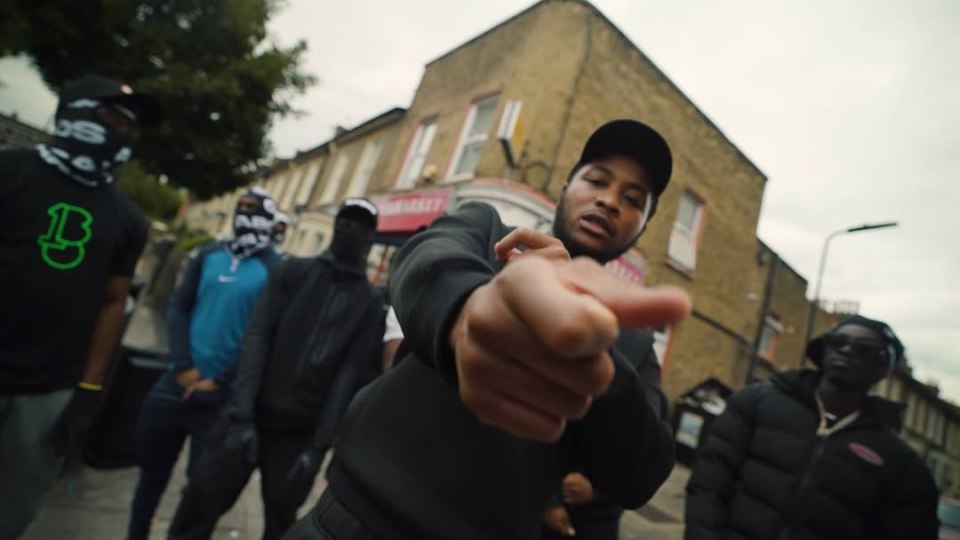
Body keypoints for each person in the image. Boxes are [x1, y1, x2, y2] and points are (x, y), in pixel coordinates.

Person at [286, 119, 692, 539]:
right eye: (597, 180)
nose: (609, 201)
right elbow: (424, 258)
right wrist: (465, 313)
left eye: (632, 199)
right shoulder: (485, 233)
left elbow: (643, 472)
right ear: (567, 186)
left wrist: (592, 343)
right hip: (347, 521)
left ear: (641, 226)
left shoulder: (633, 344)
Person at [0, 75, 162, 540]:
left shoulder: (128, 220)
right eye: (113, 119)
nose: (124, 134)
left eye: (134, 130)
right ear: (75, 112)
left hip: (48, 390)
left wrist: (89, 388)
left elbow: (113, 301)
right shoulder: (10, 173)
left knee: (13, 508)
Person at [167, 198, 386, 540]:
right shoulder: (294, 271)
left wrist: (318, 447)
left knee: (282, 525)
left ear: (371, 236)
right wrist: (241, 413)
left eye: (360, 228)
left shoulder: (370, 302)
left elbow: (349, 375)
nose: (350, 233)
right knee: (198, 505)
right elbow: (258, 337)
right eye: (345, 223)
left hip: (297, 435)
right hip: (248, 415)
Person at [685, 314, 940, 539]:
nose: (847, 350)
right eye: (838, 342)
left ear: (883, 367)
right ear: (825, 350)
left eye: (864, 349)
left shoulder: (902, 464)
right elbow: (710, 481)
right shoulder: (755, 402)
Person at [126, 189, 281, 539]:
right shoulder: (209, 254)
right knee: (151, 475)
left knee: (202, 490)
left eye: (254, 209)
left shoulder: (274, 269)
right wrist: (182, 365)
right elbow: (180, 307)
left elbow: (263, 335)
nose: (245, 214)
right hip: (176, 383)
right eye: (241, 207)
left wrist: (220, 380)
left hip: (220, 399)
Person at [542, 327, 669, 539]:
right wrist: (549, 501)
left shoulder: (638, 347)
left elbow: (646, 463)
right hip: (526, 511)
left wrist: (596, 492)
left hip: (596, 522)